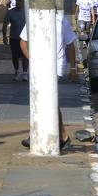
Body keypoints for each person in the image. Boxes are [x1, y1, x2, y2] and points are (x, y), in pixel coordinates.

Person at [19, 11, 78, 152]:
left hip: (56, 65)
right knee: (43, 101)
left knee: (48, 100)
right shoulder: (33, 18)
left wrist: (73, 68)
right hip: (38, 65)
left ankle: (60, 135)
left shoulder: (60, 20)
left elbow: (70, 44)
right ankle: (52, 135)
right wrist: (29, 56)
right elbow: (23, 40)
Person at [2, 0, 28, 81]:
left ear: (24, 2)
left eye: (21, 1)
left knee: (25, 55)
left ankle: (25, 73)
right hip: (14, 38)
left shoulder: (28, 12)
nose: (19, 3)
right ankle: (17, 71)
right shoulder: (10, 12)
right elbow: (5, 25)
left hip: (24, 39)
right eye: (17, 1)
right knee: (15, 56)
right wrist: (4, 36)